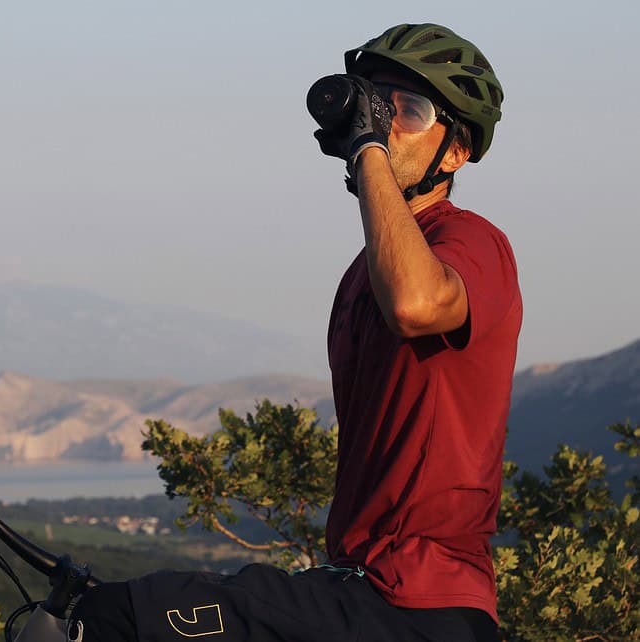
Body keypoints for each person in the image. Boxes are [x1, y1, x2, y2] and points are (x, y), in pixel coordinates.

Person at [65, 23, 520, 642]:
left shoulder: (471, 241)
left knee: (116, 620)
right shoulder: (364, 272)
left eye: (408, 111)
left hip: (419, 598)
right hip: (361, 587)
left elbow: (416, 303)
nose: (385, 123)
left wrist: (368, 149)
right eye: (376, 103)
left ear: (457, 151)